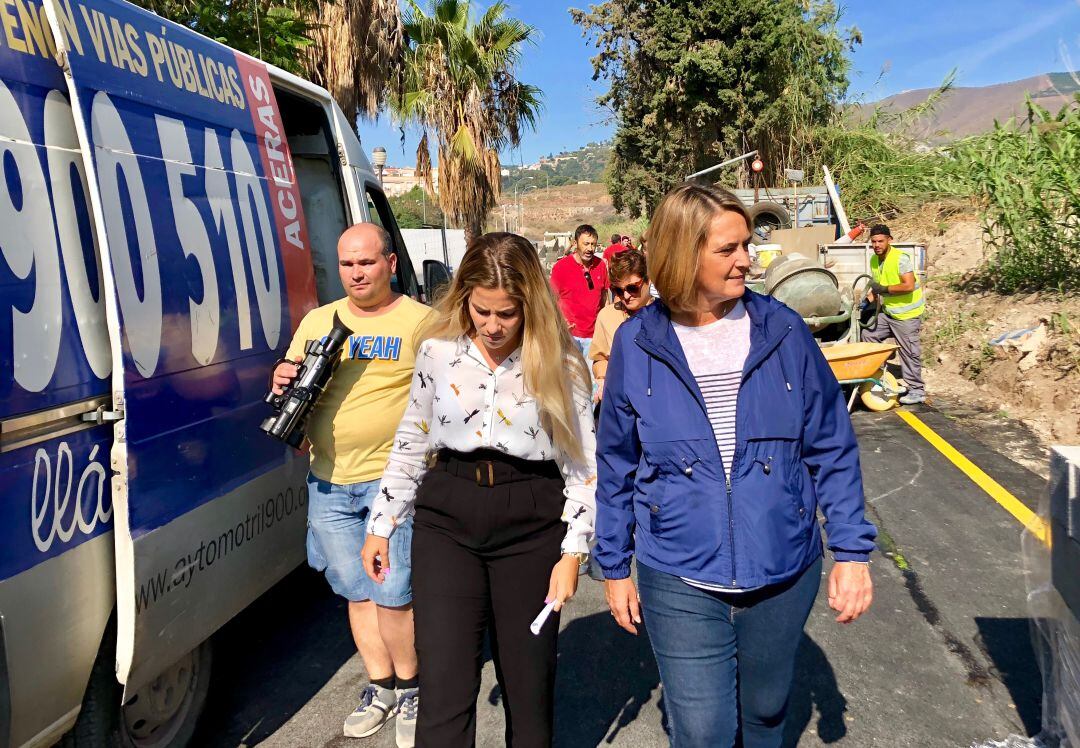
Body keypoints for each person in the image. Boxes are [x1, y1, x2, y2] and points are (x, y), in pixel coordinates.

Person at [595, 184, 877, 747]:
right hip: (676, 567)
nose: (747, 259)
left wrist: (850, 551)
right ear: (682, 252)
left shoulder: (784, 332)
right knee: (702, 730)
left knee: (767, 711)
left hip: (781, 559)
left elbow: (830, 444)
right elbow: (616, 462)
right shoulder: (636, 342)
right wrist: (614, 563)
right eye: (728, 249)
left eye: (746, 244)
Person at [361, 232, 597, 747]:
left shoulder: (563, 364)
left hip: (532, 520)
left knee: (529, 689)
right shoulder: (437, 353)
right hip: (448, 512)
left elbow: (582, 467)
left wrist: (573, 551)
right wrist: (381, 523)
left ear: (529, 304)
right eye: (481, 310)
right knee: (444, 689)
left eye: (507, 314)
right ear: (464, 297)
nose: (492, 326)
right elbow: (412, 440)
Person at [271, 223, 430, 745]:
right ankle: (380, 687)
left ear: (389, 263)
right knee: (356, 594)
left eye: (366, 262)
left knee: (393, 593)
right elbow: (291, 384)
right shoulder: (318, 321)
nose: (356, 273)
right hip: (328, 482)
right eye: (346, 264)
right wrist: (281, 380)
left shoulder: (421, 322)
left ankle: (412, 691)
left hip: (392, 484)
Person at [860, 223, 926, 405]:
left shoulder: (900, 259)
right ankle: (880, 376)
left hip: (906, 315)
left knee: (909, 352)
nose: (877, 245)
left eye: (880, 241)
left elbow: (908, 285)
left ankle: (917, 390)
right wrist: (867, 300)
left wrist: (885, 289)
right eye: (873, 241)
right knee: (868, 334)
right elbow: (877, 284)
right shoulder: (875, 260)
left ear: (889, 240)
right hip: (888, 313)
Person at [590, 249, 653, 403]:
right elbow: (599, 359)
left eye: (632, 288)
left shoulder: (665, 314)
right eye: (618, 290)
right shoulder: (606, 316)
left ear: (648, 280)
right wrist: (604, 378)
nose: (626, 296)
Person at [550, 223, 608, 359]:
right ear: (575, 243)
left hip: (595, 336)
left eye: (593, 244)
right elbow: (551, 299)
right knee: (571, 379)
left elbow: (605, 298)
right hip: (570, 337)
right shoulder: (561, 267)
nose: (590, 249)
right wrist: (560, 323)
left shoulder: (601, 266)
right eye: (586, 244)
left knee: (593, 379)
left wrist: (604, 328)